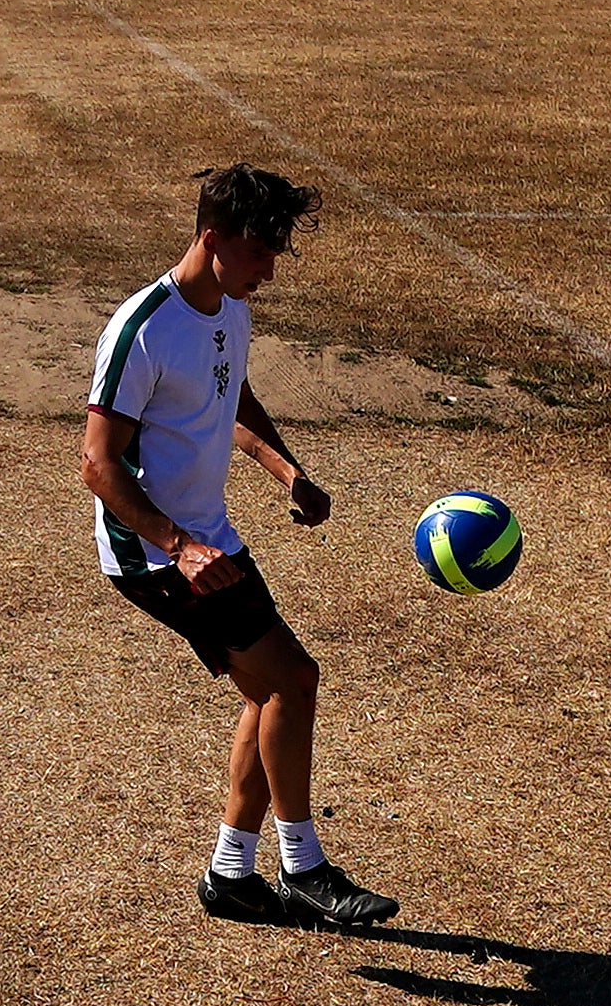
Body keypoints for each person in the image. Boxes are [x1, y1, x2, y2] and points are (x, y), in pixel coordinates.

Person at [78, 163, 394, 930]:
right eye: (258, 251)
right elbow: (98, 462)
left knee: (271, 691)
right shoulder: (143, 328)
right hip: (155, 553)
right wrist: (179, 546)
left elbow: (234, 398)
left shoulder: (229, 307)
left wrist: (289, 473)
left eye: (275, 252)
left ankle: (230, 876)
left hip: (207, 537)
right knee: (293, 679)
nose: (268, 269)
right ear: (211, 238)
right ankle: (305, 868)